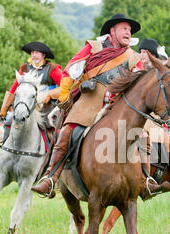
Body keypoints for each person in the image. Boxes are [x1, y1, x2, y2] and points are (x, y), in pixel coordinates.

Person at [32, 13, 144, 198]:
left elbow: (140, 80)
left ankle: (145, 181)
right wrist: (64, 97)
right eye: (124, 28)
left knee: (143, 135)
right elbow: (70, 70)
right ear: (112, 31)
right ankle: (50, 178)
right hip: (89, 101)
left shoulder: (133, 56)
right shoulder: (94, 47)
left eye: (130, 30)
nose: (128, 33)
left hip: (118, 106)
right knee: (66, 132)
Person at [138, 38, 170, 197]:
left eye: (144, 52)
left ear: (151, 54)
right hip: (139, 115)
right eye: (141, 52)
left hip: (156, 116)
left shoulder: (159, 71)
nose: (142, 55)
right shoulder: (136, 70)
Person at [0, 42, 62, 145]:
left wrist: (49, 94)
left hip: (47, 106)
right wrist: (3, 110)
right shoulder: (24, 68)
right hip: (27, 104)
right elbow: (13, 88)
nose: (34, 55)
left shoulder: (53, 68)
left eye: (37, 52)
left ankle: (52, 149)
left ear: (43, 55)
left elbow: (64, 87)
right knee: (9, 122)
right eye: (32, 52)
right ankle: (5, 146)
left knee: (48, 124)